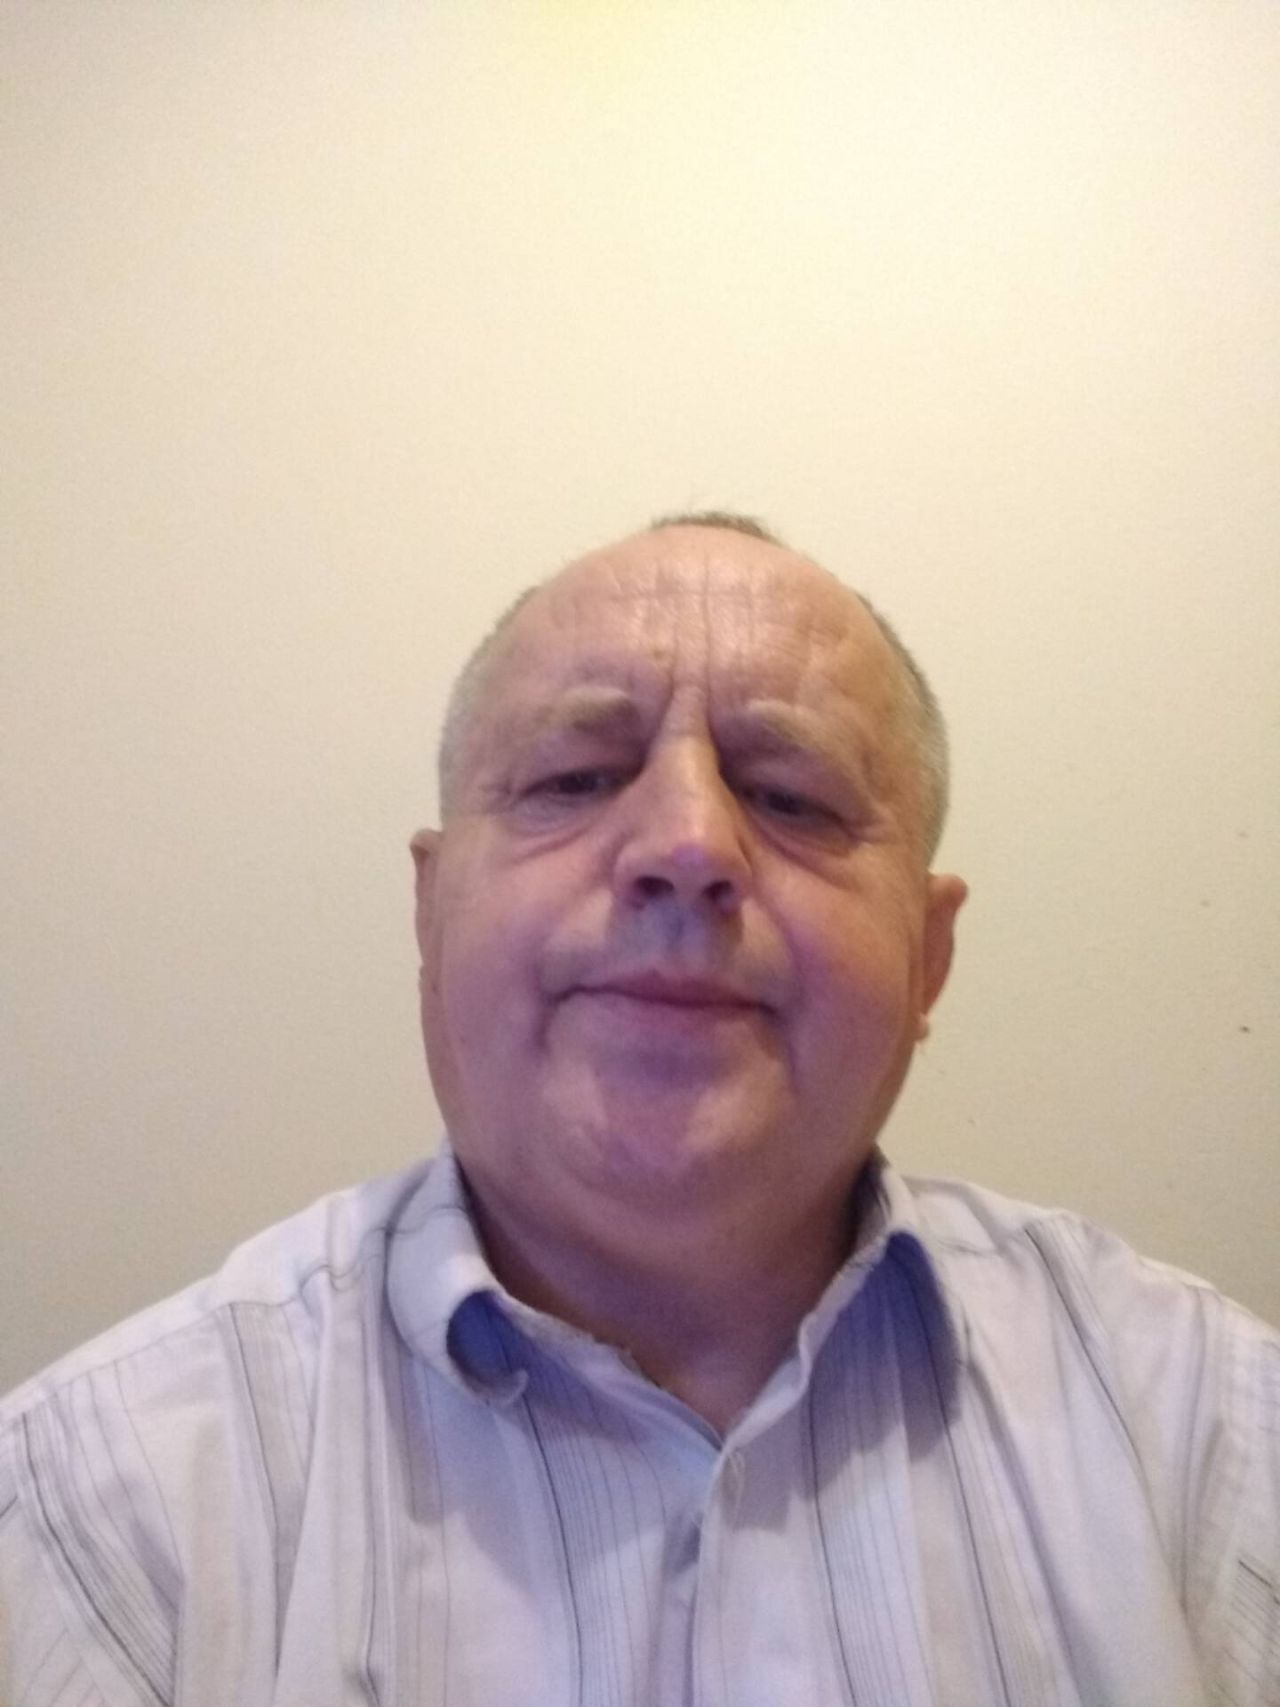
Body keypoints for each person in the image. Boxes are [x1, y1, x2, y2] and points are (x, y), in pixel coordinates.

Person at [1, 513, 1276, 1706]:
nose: (688, 843)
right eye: (573, 777)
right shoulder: (95, 1515)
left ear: (928, 958)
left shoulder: (1214, 1439)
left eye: (790, 794)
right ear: (430, 915)